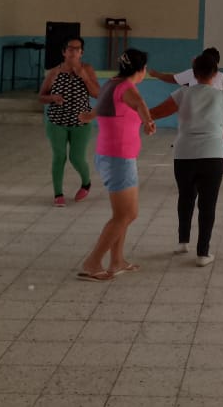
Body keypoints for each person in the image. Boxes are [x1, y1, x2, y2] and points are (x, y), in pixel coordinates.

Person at [149, 52, 223, 266]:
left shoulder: (182, 94)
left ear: (194, 73)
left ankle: (182, 242)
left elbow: (156, 112)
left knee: (185, 197)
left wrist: (134, 114)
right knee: (208, 204)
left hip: (184, 154)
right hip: (213, 156)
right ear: (215, 74)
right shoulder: (222, 97)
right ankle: (203, 253)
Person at [77, 49, 156, 281]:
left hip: (113, 156)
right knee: (127, 214)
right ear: (141, 70)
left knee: (122, 214)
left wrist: (89, 116)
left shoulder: (111, 84)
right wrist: (148, 122)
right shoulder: (126, 88)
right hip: (118, 159)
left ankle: (117, 261)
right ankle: (92, 263)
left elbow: (100, 108)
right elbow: (140, 103)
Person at [150, 46, 223, 173]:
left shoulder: (184, 92)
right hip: (213, 142)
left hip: (187, 146)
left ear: (195, 71)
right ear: (215, 69)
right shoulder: (222, 85)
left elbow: (157, 110)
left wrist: (156, 75)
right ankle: (218, 169)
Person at [38, 36, 100, 206]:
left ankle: (86, 183)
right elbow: (41, 97)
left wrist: (84, 77)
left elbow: (97, 94)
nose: (73, 52)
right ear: (64, 52)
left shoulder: (87, 69)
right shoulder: (54, 72)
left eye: (77, 49)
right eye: (70, 49)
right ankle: (58, 194)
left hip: (81, 122)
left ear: (82, 53)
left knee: (77, 158)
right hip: (56, 122)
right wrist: (52, 98)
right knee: (59, 156)